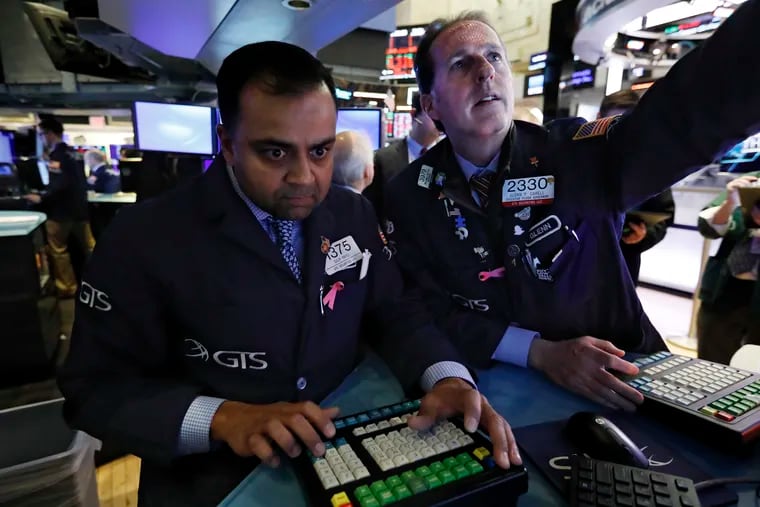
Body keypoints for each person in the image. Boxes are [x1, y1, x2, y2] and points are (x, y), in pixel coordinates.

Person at [58, 41, 521, 506]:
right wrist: (222, 418)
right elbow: (94, 390)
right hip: (209, 481)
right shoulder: (144, 238)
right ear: (227, 144)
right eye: (275, 154)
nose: (304, 177)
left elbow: (397, 311)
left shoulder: (353, 213)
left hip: (339, 456)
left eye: (320, 151)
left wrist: (447, 378)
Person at [383, 3, 760, 412]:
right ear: (431, 105)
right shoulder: (410, 195)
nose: (485, 70)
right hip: (497, 394)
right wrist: (539, 352)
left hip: (625, 382)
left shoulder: (579, 156)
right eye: (460, 63)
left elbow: (683, 117)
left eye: (494, 56)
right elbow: (425, 308)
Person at [598, 90, 675, 284]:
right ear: (598, 119)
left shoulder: (650, 166)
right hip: (568, 264)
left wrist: (642, 236)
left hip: (621, 267)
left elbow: (663, 218)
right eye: (614, 123)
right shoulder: (573, 157)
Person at [24, 118, 94, 298]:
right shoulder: (75, 153)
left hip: (61, 214)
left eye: (41, 134)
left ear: (50, 133)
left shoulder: (57, 156)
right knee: (90, 249)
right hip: (80, 211)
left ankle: (67, 288)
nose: (41, 139)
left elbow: (59, 185)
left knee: (59, 251)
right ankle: (103, 280)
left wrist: (41, 197)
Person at [696, 172, 760, 365]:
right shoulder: (752, 181)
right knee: (712, 363)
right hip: (727, 287)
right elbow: (707, 226)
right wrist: (730, 202)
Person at [363, 93, 441, 214]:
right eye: (432, 112)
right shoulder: (382, 159)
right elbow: (371, 208)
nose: (440, 119)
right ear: (414, 114)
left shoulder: (450, 159)